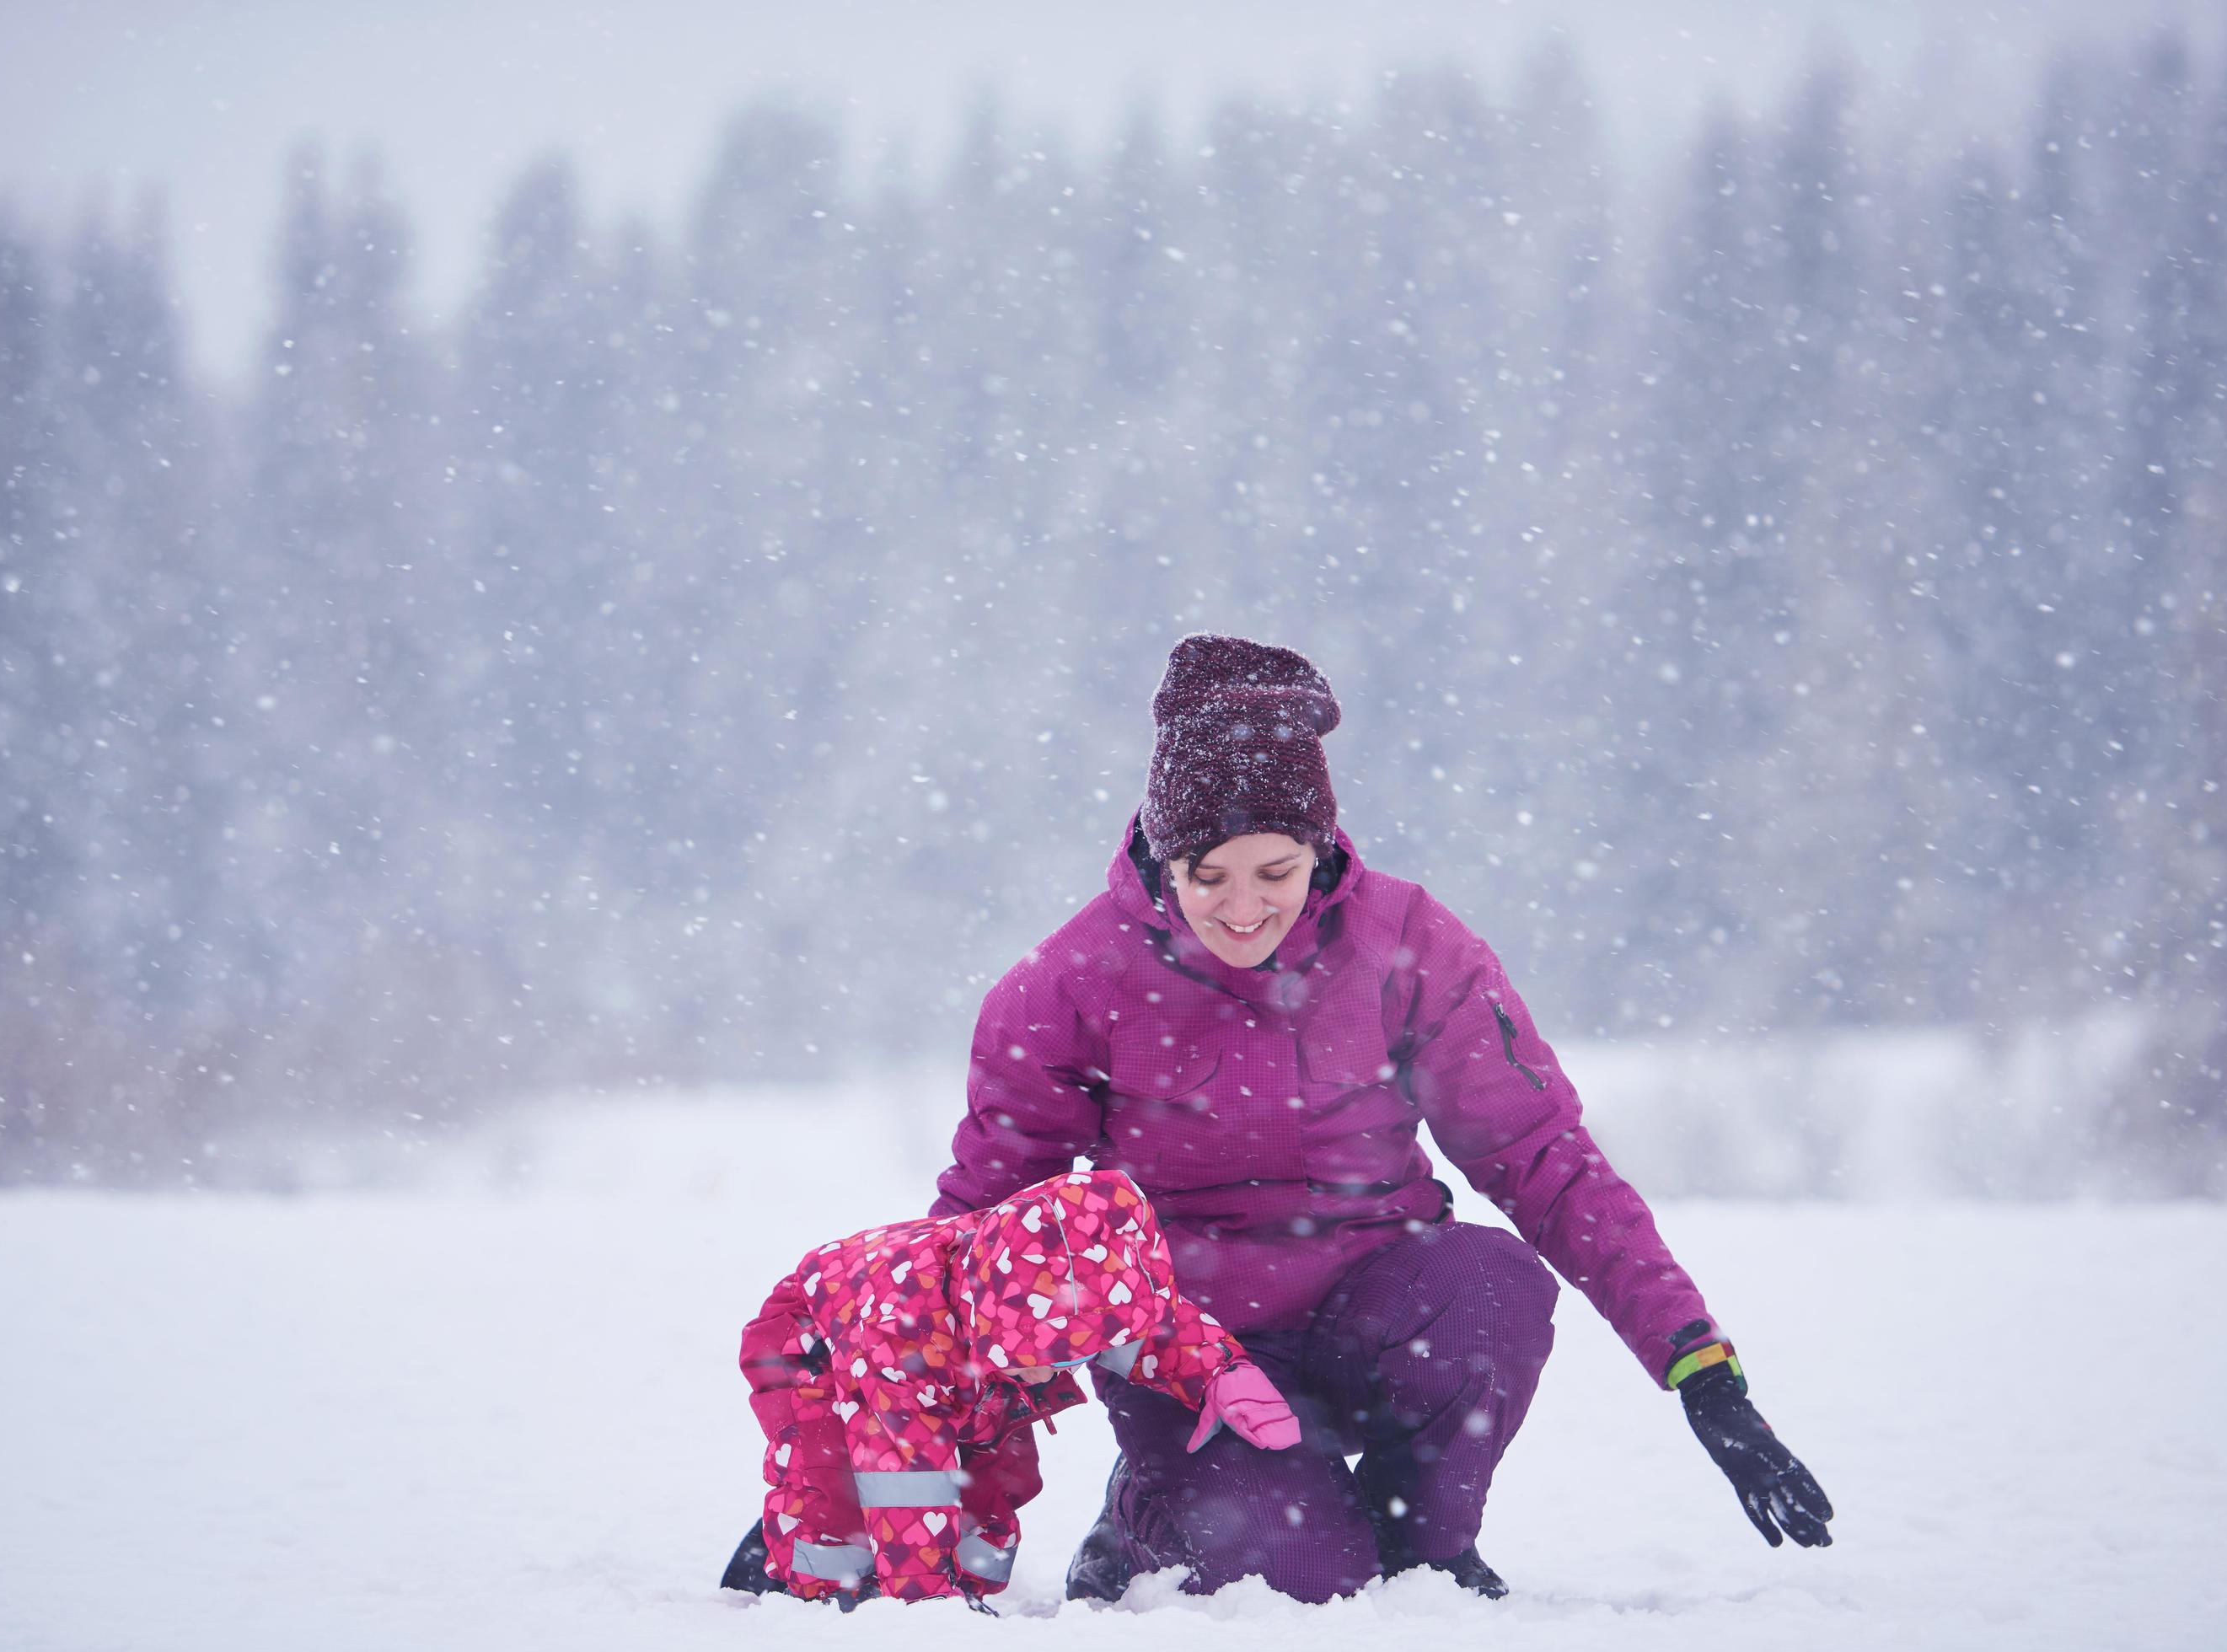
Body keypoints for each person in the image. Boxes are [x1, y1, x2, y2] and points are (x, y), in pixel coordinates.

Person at [929, 633, 1833, 1604]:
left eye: (1274, 873)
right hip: (1188, 1355)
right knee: (1305, 1584)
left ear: (1319, 851)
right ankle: (1150, 1517)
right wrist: (871, 1433)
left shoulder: (1406, 944)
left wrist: (1700, 1365)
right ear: (1160, 852)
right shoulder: (1070, 982)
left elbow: (1543, 1158)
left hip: (1373, 1306)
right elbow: (985, 1217)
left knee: (1493, 1285)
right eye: (1207, 874)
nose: (1242, 910)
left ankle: (1424, 1544)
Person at [725, 1167, 1301, 1608]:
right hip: (816, 1342)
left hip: (962, 1354)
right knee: (837, 1481)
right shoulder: (900, 1334)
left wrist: (1222, 1374)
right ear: (995, 1326)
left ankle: (958, 1586)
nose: (1054, 1375)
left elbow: (1145, 1329)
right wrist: (924, 1609)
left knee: (987, 1485)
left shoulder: (1057, 1284)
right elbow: (902, 1469)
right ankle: (805, 1587)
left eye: (1070, 1359)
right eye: (1038, 1359)